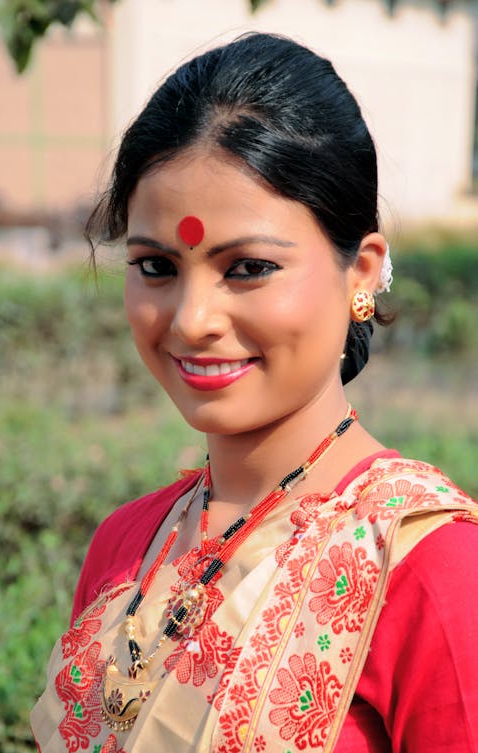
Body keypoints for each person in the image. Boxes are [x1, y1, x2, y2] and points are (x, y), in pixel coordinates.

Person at [31, 32, 478, 753]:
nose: (191, 320)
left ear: (361, 272)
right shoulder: (127, 546)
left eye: (246, 268)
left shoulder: (434, 569)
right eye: (155, 266)